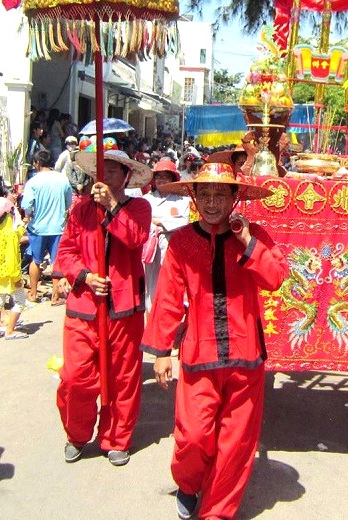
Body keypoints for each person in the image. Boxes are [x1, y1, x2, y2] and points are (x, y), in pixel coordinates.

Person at [141, 162, 287, 520]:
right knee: (192, 437)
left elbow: (275, 278)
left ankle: (217, 511)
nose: (211, 202)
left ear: (235, 198)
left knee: (235, 444)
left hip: (246, 356)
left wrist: (248, 242)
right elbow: (168, 299)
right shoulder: (181, 242)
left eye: (220, 194)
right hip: (198, 354)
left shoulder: (256, 236)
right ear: (193, 197)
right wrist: (161, 352)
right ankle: (189, 483)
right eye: (203, 194)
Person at [54, 149, 152, 467]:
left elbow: (136, 238)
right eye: (101, 170)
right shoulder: (81, 209)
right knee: (75, 377)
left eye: (113, 171)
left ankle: (116, 437)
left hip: (125, 308)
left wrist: (111, 206)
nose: (106, 176)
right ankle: (77, 433)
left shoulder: (139, 207)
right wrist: (84, 276)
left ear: (126, 177)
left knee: (123, 378)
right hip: (84, 307)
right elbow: (66, 251)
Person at [21, 150, 72, 304]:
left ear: (37, 163)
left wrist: (29, 216)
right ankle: (55, 297)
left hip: (38, 227)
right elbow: (68, 202)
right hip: (58, 227)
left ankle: (33, 293)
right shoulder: (62, 179)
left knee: (35, 260)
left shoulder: (33, 182)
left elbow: (26, 205)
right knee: (56, 262)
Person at [141, 159, 190, 311]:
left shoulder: (182, 200)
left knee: (172, 285)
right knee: (152, 287)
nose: (161, 180)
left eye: (165, 176)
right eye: (158, 176)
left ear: (173, 179)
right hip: (152, 249)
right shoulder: (146, 200)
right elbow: (143, 222)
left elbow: (184, 221)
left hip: (173, 248)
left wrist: (160, 223)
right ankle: (151, 320)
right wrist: (160, 224)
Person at [0, 197, 28, 340]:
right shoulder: (10, 234)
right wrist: (17, 277)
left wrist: (21, 225)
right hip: (11, 274)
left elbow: (17, 233)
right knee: (20, 301)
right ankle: (10, 331)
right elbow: (11, 257)